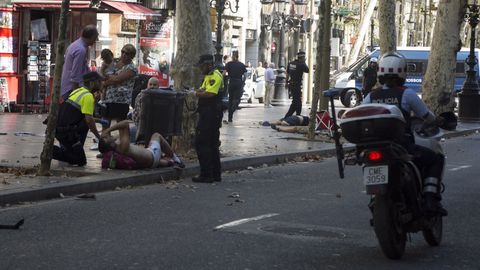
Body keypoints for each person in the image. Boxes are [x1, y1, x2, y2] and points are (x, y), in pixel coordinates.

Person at [362, 51, 447, 216]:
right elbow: (426, 116)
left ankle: (374, 198)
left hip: (375, 147)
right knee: (435, 159)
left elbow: (360, 113)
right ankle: (430, 198)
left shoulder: (371, 96)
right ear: (402, 72)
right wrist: (438, 121)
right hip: (403, 146)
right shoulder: (406, 94)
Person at [53, 71, 103, 166]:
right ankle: (53, 151)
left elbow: (79, 114)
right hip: (67, 133)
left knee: (76, 156)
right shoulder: (88, 96)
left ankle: (69, 149)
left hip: (60, 130)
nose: (101, 84)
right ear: (92, 83)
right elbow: (89, 120)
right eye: (99, 81)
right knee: (80, 160)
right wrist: (98, 136)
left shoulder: (78, 91)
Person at [99, 120, 184, 169]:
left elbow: (121, 129)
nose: (108, 135)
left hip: (149, 162)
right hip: (152, 156)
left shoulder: (117, 148)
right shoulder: (122, 146)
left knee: (164, 161)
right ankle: (176, 159)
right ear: (110, 145)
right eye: (107, 137)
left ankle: (170, 162)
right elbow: (125, 123)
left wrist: (110, 135)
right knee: (156, 135)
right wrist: (107, 130)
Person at [192, 54, 224, 183]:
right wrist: (197, 91)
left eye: (202, 66)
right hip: (210, 113)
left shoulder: (215, 75)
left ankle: (206, 174)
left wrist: (195, 93)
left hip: (210, 114)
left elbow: (209, 93)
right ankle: (215, 174)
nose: (200, 69)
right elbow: (203, 89)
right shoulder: (209, 76)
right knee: (212, 144)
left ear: (209, 65)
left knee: (202, 143)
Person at [61, 25, 99, 100]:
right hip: (72, 89)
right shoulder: (81, 50)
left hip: (68, 88)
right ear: (92, 37)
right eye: (95, 38)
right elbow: (75, 74)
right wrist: (76, 95)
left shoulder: (75, 45)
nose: (95, 41)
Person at [103, 44, 137, 123]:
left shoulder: (131, 68)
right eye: (123, 52)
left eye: (127, 53)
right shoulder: (114, 62)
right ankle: (106, 134)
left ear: (132, 56)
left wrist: (106, 83)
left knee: (121, 124)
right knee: (105, 121)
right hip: (108, 98)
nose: (124, 54)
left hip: (121, 100)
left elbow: (117, 79)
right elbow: (104, 74)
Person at [285, 51, 309, 118]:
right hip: (297, 85)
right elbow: (308, 70)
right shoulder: (302, 64)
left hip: (291, 84)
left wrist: (286, 82)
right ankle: (290, 116)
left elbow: (287, 73)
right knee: (296, 102)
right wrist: (304, 62)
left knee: (297, 101)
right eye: (304, 58)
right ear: (303, 58)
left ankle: (297, 115)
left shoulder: (291, 63)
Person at [224, 52, 247, 123]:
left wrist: (225, 79)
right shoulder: (242, 65)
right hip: (239, 82)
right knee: (237, 99)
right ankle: (235, 106)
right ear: (238, 56)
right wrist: (243, 82)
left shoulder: (229, 64)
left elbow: (224, 73)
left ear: (233, 56)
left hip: (231, 82)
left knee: (230, 99)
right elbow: (245, 75)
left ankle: (230, 118)